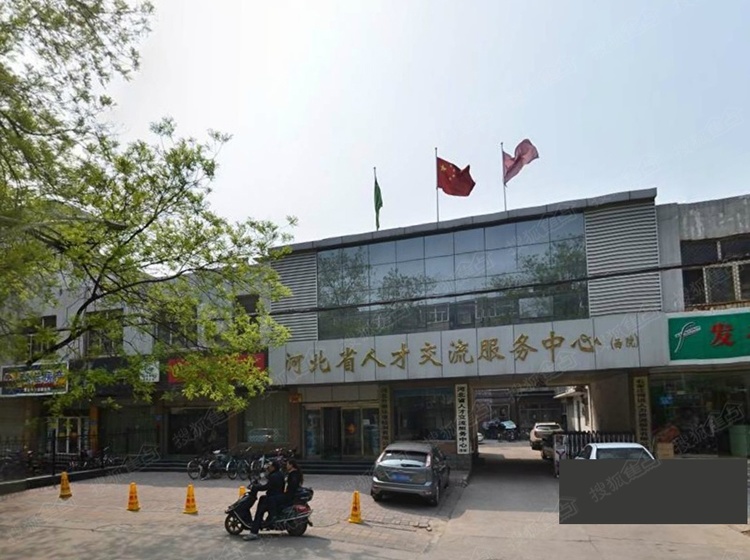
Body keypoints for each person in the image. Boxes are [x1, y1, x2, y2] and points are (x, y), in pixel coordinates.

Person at [243, 459, 285, 541]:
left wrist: (256, 487)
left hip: (272, 498)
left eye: (270, 466)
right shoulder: (278, 474)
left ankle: (254, 532)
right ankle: (260, 523)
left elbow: (267, 487)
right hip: (275, 496)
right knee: (262, 498)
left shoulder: (274, 476)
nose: (268, 467)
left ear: (274, 467)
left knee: (259, 512)